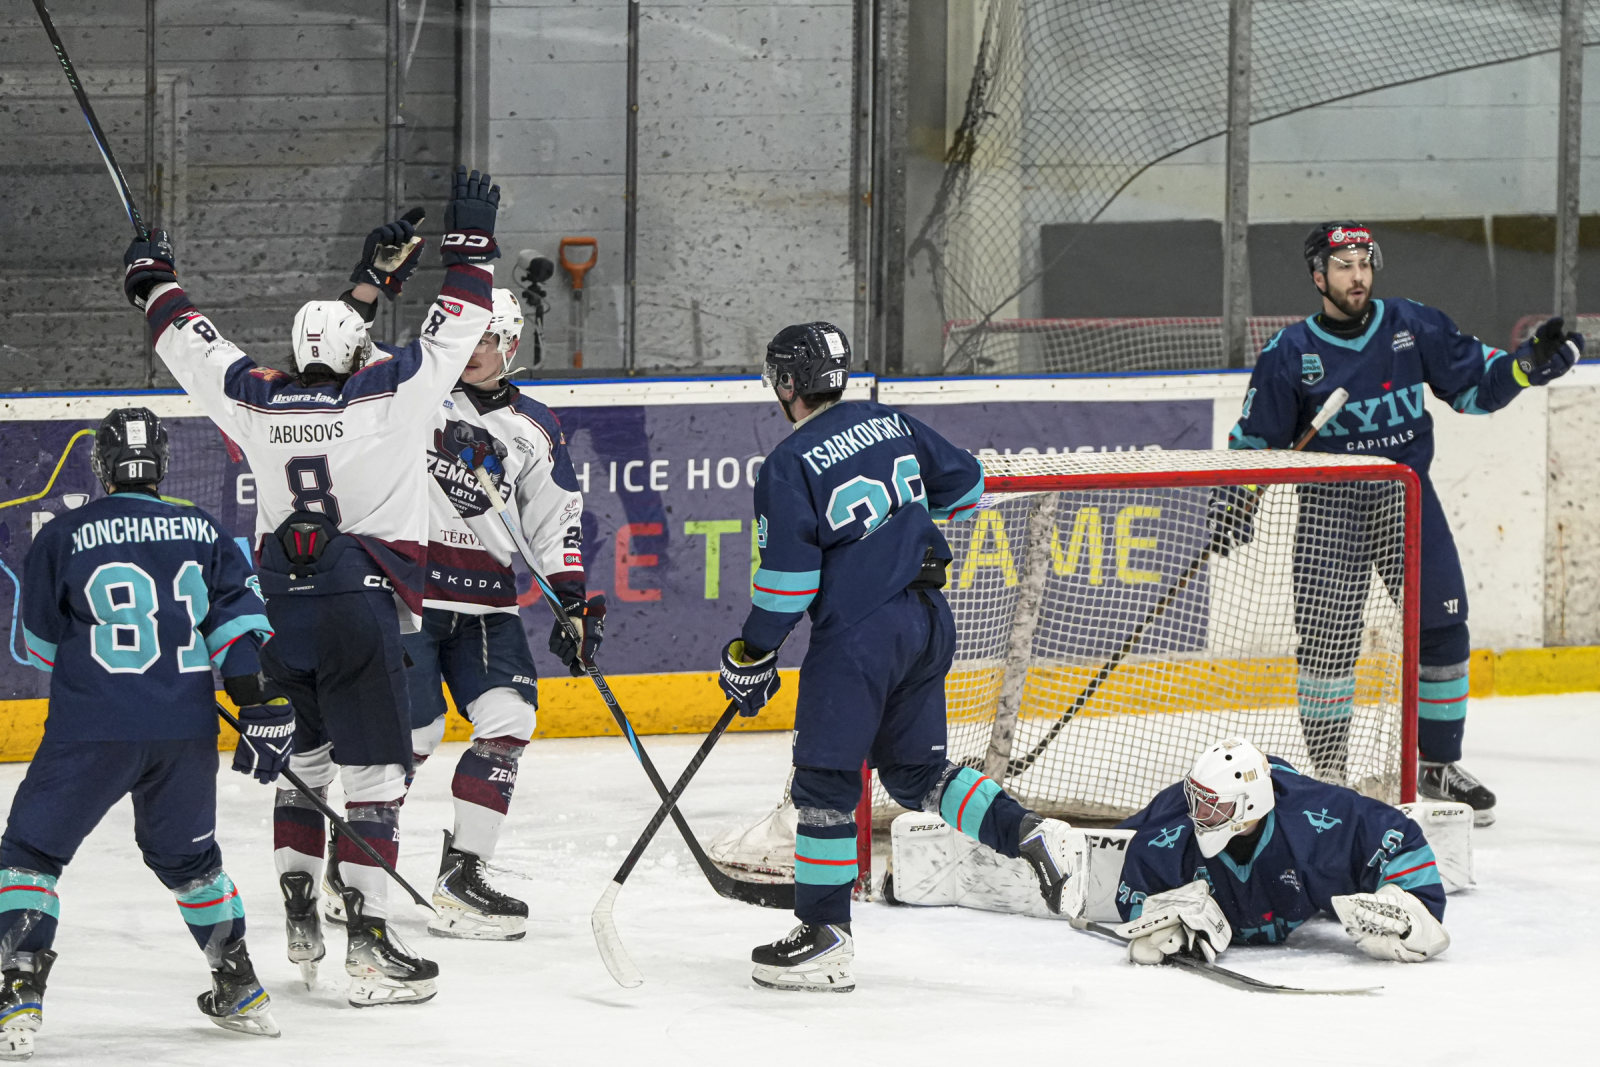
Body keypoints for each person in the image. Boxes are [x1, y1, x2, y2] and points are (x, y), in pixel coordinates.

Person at [125, 165, 503, 1006]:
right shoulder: (390, 395)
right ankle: (368, 943)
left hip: (276, 610)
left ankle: (301, 909)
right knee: (375, 779)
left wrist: (154, 280)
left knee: (305, 763)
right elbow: (456, 325)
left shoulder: (258, 403)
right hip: (358, 607)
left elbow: (191, 343)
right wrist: (470, 247)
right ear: (357, 354)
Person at [716, 322, 1083, 993]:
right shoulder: (890, 422)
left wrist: (751, 651)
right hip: (927, 619)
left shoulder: (787, 463)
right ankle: (1027, 831)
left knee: (825, 785)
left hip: (860, 634)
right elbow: (967, 486)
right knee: (917, 772)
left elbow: (789, 583)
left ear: (789, 383)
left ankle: (825, 935)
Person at [1225, 221, 1583, 826]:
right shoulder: (1290, 352)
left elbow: (1476, 389)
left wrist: (1525, 367)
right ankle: (1330, 776)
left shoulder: (1412, 324)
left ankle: (1438, 765)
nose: (1357, 276)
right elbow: (1256, 442)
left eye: (1364, 263)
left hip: (1407, 501)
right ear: (1319, 278)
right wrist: (1236, 497)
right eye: (1343, 266)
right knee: (1328, 645)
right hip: (1329, 511)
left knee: (1444, 630)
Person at [3, 408, 288, 1056]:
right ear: (161, 463)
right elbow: (237, 634)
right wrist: (257, 702)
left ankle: (19, 988)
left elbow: (39, 645)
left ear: (101, 465)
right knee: (192, 862)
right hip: (184, 732)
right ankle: (239, 986)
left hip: (91, 728)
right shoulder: (202, 528)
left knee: (29, 855)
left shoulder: (66, 534)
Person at [403, 285, 600, 939]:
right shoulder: (415, 392)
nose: (473, 351)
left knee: (510, 719)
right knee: (412, 734)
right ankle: (357, 863)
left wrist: (573, 601)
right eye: (465, 337)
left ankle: (462, 876)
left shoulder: (535, 426)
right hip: (409, 596)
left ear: (510, 344)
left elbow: (554, 518)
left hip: (486, 604)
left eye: (487, 339)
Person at [1112, 737, 1449, 966]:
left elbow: (1399, 837)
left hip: (1295, 807)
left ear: (1251, 804)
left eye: (1213, 806)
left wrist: (1411, 904)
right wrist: (1155, 915)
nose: (1199, 813)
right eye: (1197, 800)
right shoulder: (1176, 820)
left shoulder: (1319, 821)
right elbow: (1132, 885)